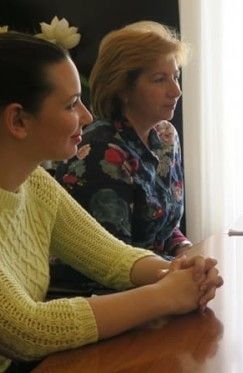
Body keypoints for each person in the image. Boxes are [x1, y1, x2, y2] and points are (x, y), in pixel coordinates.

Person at [0, 25, 222, 373]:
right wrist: (166, 294)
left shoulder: (33, 180)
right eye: (71, 105)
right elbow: (26, 330)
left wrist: (177, 270)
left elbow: (114, 257)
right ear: (18, 121)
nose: (87, 116)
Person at [52, 22, 191, 288]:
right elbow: (114, 265)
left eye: (175, 76)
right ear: (123, 88)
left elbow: (162, 223)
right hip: (105, 300)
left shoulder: (165, 137)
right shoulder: (101, 154)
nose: (176, 91)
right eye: (160, 79)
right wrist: (181, 272)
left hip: (159, 284)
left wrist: (185, 251)